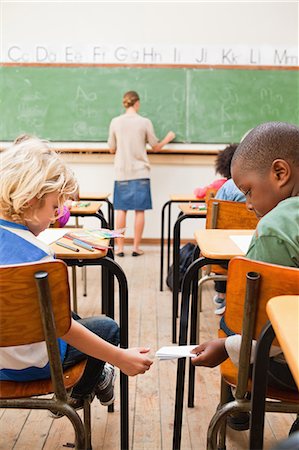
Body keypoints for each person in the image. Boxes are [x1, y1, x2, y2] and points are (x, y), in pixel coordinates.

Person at [0, 136, 153, 413]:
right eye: (54, 207)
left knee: (69, 315)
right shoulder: (40, 258)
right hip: (34, 365)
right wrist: (120, 358)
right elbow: (64, 330)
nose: (55, 216)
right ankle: (76, 395)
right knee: (107, 328)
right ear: (31, 200)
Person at [191, 121, 299, 430]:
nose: (248, 204)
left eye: (249, 191)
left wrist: (226, 347)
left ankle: (237, 406)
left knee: (234, 318)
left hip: (290, 365)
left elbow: (268, 334)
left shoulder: (276, 229)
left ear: (281, 173)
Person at [108, 90, 175, 257]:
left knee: (121, 210)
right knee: (139, 211)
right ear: (137, 103)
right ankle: (136, 248)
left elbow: (111, 149)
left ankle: (120, 248)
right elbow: (156, 146)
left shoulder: (115, 122)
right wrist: (168, 137)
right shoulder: (144, 122)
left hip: (122, 172)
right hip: (140, 172)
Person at [194, 143, 246, 314]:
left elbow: (211, 228)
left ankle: (222, 295)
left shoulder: (227, 187)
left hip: (222, 257)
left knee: (219, 247)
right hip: (256, 257)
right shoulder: (271, 192)